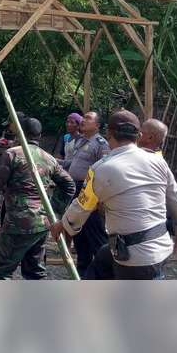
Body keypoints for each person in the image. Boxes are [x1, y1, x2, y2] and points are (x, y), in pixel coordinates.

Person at [51, 110, 177, 280]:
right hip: (161, 245)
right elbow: (176, 201)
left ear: (109, 134)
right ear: (138, 135)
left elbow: (83, 206)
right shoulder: (158, 161)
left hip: (133, 257)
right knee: (101, 262)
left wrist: (62, 225)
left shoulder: (100, 168)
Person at [0, 117, 75, 280]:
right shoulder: (48, 158)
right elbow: (69, 184)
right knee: (35, 271)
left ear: (19, 133)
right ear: (39, 135)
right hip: (41, 223)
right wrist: (53, 208)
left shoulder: (12, 154)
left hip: (17, 223)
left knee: (0, 271)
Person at [60, 110, 111, 275]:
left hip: (89, 192)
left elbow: (104, 169)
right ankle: (83, 272)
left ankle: (106, 272)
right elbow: (73, 163)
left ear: (97, 125)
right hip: (76, 189)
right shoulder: (81, 141)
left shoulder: (101, 144)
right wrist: (55, 162)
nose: (83, 120)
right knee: (78, 232)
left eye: (88, 118)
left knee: (94, 232)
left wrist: (99, 199)